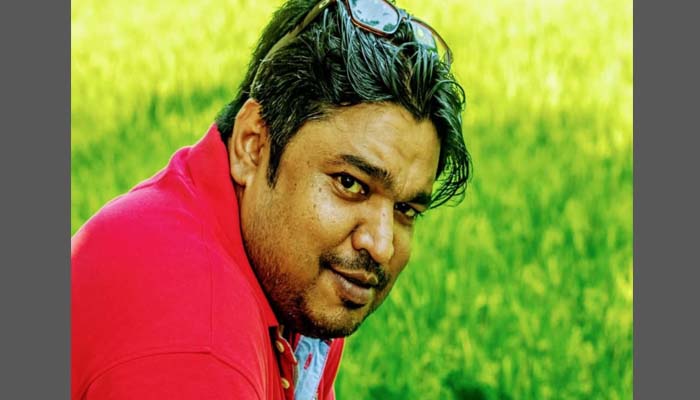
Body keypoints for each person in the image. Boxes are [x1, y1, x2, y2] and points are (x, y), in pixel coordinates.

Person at [71, 0, 471, 399]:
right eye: (350, 184)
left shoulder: (293, 285)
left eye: (405, 209)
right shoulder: (197, 348)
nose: (381, 246)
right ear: (253, 144)